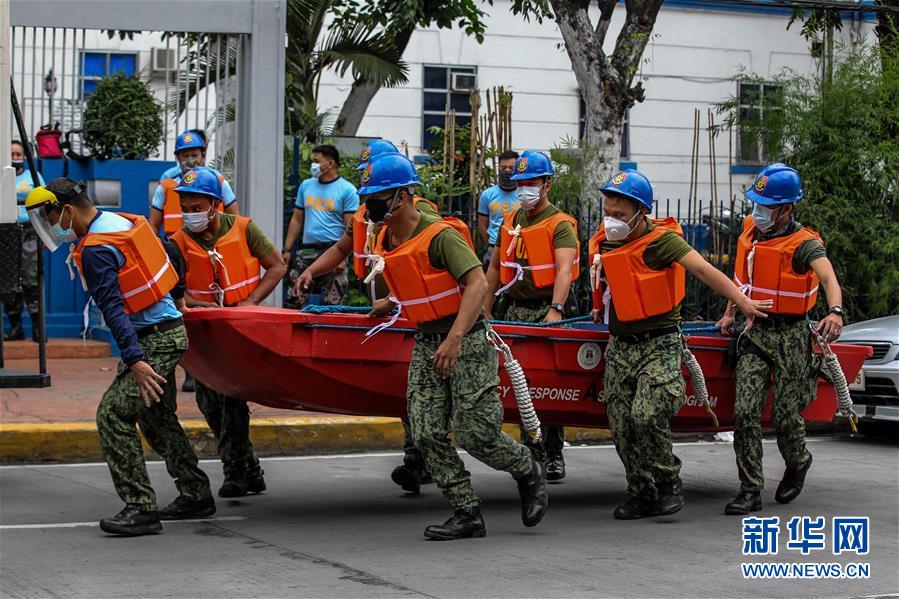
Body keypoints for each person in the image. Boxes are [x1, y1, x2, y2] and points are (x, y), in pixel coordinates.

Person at [363, 153, 547, 540]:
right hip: (427, 339)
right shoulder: (383, 236)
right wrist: (384, 295)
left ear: (403, 196)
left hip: (466, 339)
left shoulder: (440, 235)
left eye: (378, 195)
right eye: (369, 196)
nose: (371, 204)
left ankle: (526, 468)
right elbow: (404, 284)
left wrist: (455, 338)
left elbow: (478, 284)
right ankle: (466, 512)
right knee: (426, 431)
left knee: (475, 432)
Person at [25, 178, 214, 536]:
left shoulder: (97, 248)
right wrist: (177, 296)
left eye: (51, 219)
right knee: (157, 418)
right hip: (167, 332)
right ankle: (196, 494)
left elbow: (112, 309)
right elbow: (169, 252)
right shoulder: (122, 223)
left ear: (67, 210)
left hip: (153, 342)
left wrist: (136, 360)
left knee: (112, 414)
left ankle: (140, 508)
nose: (52, 228)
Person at [588, 169, 771, 520]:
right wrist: (598, 305)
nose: (611, 221)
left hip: (659, 342)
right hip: (621, 344)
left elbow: (704, 270)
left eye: (620, 215)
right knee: (622, 424)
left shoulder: (662, 241)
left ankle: (668, 479)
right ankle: (642, 492)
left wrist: (742, 302)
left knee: (647, 413)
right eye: (607, 213)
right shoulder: (607, 239)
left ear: (642, 212)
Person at [295, 139, 436, 495]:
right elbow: (344, 247)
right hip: (380, 308)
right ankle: (419, 458)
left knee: (415, 387)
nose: (367, 187)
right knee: (403, 386)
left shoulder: (420, 215)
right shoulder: (364, 215)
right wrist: (311, 270)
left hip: (411, 312)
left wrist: (395, 299)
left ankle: (419, 459)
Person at [719, 164, 844, 515]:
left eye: (765, 206)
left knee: (787, 413)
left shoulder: (805, 246)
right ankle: (749, 489)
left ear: (787, 209)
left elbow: (829, 277)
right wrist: (731, 312)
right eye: (755, 204)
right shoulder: (751, 232)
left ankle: (798, 459)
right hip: (756, 331)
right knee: (745, 411)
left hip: (791, 335)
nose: (757, 212)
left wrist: (835, 311)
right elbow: (741, 280)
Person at [169, 168, 287, 497]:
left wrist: (249, 302)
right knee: (209, 401)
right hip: (203, 328)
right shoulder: (177, 242)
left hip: (240, 327)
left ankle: (234, 469)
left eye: (197, 208)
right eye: (186, 208)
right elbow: (173, 289)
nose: (190, 215)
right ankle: (249, 467)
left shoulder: (244, 229)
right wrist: (195, 303)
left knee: (232, 397)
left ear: (215, 205)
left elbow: (277, 266)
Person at [482, 150, 578, 481]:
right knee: (518, 384)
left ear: (546, 184)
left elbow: (565, 270)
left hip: (545, 310)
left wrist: (556, 309)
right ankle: (532, 452)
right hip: (514, 310)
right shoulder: (511, 220)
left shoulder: (559, 224)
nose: (525, 189)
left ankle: (552, 452)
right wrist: (485, 308)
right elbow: (495, 266)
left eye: (531, 183)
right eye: (521, 183)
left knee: (546, 385)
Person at [282, 144, 359, 308]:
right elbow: (297, 218)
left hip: (334, 250)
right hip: (307, 250)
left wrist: (343, 258)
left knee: (332, 305)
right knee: (293, 299)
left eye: (317, 161)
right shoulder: (306, 186)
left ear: (330, 164)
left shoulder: (347, 190)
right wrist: (287, 249)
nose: (313, 165)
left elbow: (350, 226)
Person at [149, 130, 239, 236]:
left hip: (213, 244)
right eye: (185, 156)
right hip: (176, 245)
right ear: (178, 158)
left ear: (203, 156)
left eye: (194, 155)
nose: (190, 160)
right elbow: (153, 226)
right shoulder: (165, 184)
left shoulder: (218, 181)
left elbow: (235, 220)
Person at [3, 140, 45, 341]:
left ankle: (38, 328)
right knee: (8, 279)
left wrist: (46, 234)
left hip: (30, 232)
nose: (16, 157)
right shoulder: (3, 176)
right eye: (12, 153)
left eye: (19, 154)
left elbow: (46, 206)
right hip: (6, 233)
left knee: (31, 278)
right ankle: (15, 327)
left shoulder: (33, 177)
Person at [477, 150, 520, 268]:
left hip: (519, 247)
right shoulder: (487, 194)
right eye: (503, 167)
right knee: (492, 283)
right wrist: (491, 244)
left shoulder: (524, 195)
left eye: (511, 168)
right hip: (494, 246)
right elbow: (482, 225)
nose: (507, 171)